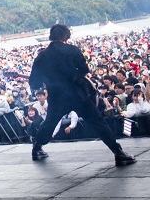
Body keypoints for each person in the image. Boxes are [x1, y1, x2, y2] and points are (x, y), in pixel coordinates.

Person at [29, 24, 135, 166]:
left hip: (57, 97)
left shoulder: (42, 56)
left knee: (49, 123)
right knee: (97, 122)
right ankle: (118, 153)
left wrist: (47, 81)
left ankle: (36, 148)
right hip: (77, 95)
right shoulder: (72, 50)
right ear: (65, 36)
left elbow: (34, 82)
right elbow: (84, 70)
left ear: (50, 37)